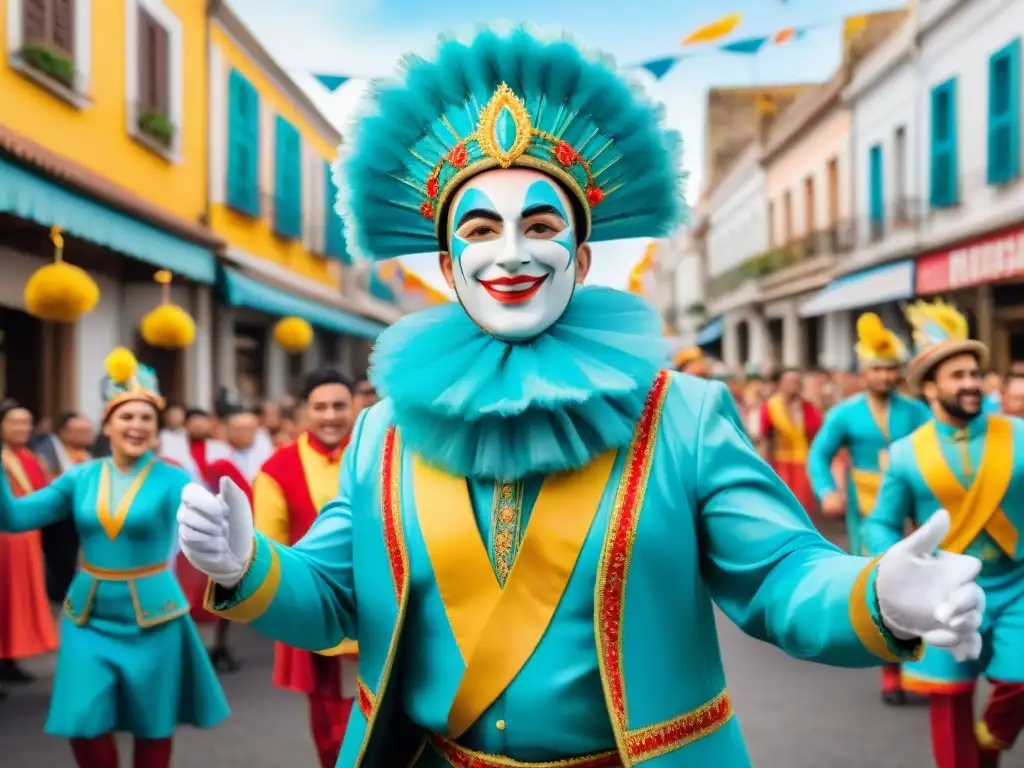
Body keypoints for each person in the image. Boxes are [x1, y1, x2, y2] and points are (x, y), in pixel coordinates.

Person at [179, 28, 985, 766]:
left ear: (584, 257)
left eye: (540, 223)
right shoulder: (381, 433)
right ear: (450, 267)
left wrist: (871, 593)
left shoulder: (683, 417)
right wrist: (248, 564)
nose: (512, 252)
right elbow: (329, 601)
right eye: (480, 231)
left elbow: (780, 576)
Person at [0, 348, 229, 767]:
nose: (137, 425)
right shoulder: (81, 475)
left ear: (157, 428)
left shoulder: (173, 477)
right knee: (83, 722)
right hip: (89, 617)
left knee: (152, 726)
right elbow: (14, 517)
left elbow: (210, 521)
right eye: (126, 416)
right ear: (108, 423)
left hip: (154, 617)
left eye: (147, 418)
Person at [863, 300, 1024, 768]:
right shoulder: (907, 454)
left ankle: (992, 739)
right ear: (930, 388)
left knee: (1020, 681)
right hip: (945, 593)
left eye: (975, 373)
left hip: (1018, 583)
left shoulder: (1018, 433)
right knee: (950, 704)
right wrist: (893, 562)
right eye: (958, 376)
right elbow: (880, 522)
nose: (972, 383)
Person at [807, 313, 931, 705]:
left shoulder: (915, 410)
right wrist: (826, 489)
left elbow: (937, 448)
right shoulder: (845, 412)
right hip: (867, 511)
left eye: (891, 368)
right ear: (864, 373)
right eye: (877, 369)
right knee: (884, 583)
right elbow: (819, 455)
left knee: (922, 581)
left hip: (915, 507)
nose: (884, 376)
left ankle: (924, 667)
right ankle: (891, 671)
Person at [246, 369, 357, 768]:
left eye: (339, 406)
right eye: (321, 407)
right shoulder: (277, 469)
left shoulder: (385, 455)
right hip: (319, 616)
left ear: (355, 408)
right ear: (305, 412)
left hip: (386, 612)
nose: (330, 416)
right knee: (332, 733)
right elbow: (267, 551)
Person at [0, 400, 59, 684]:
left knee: (16, 603)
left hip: (27, 541)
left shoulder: (30, 457)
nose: (22, 428)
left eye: (26, 422)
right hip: (5, 542)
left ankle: (9, 658)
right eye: (14, 422)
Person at [35, 411, 94, 601]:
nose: (86, 436)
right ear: (64, 432)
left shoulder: (87, 454)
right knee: (59, 566)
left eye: (88, 431)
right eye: (80, 431)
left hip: (80, 517)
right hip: (56, 520)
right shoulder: (45, 450)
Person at [759, 367, 823, 513]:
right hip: (780, 463)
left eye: (796, 381)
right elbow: (766, 440)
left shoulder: (810, 408)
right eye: (789, 381)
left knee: (802, 508)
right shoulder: (770, 406)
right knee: (781, 506)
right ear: (780, 384)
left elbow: (817, 439)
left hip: (803, 462)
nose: (793, 384)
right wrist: (764, 467)